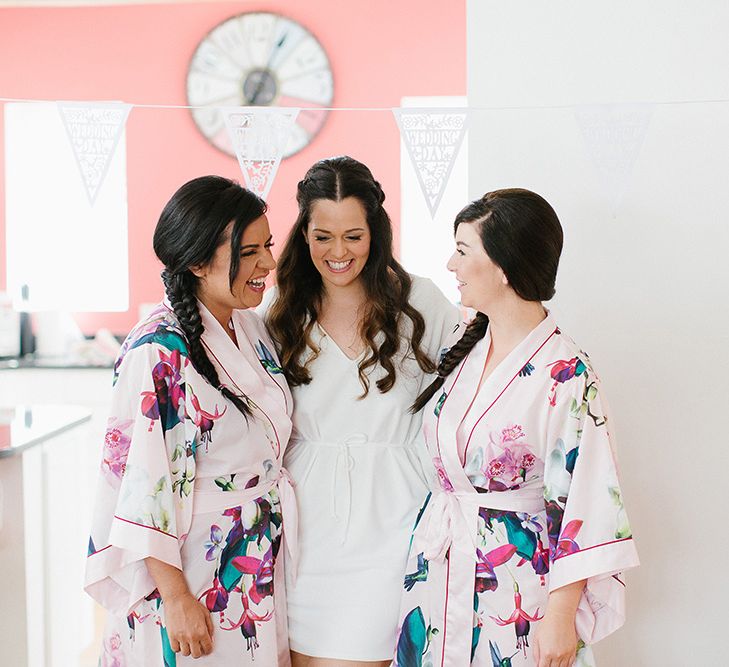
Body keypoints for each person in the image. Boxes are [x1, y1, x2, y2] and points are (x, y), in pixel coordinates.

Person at [395, 189, 639, 667]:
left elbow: (585, 499)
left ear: (504, 267)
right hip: (440, 573)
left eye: (463, 252)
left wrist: (561, 614)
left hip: (517, 586)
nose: (451, 265)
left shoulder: (566, 371)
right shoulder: (463, 349)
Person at [85, 176, 296, 666]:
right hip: (191, 567)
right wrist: (177, 598)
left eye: (267, 245)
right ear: (198, 262)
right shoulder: (159, 350)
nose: (267, 262)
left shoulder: (249, 326)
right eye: (249, 252)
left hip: (252, 560)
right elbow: (143, 485)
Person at [260, 156, 459, 666]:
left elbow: (472, 389)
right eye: (322, 236)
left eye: (353, 235)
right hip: (308, 525)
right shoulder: (280, 307)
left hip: (398, 516)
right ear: (303, 233)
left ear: (376, 232)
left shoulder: (420, 301)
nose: (337, 252)